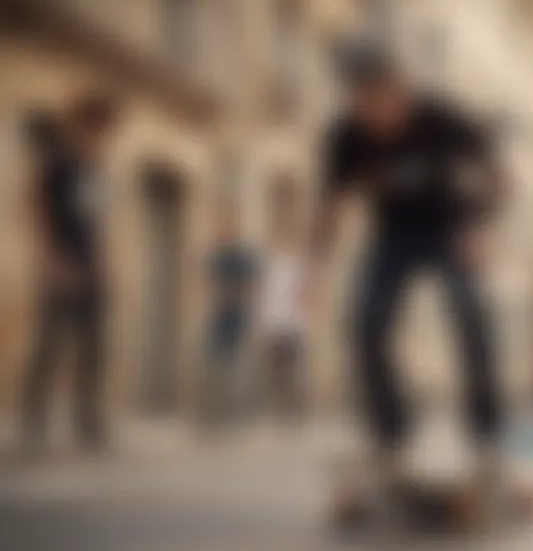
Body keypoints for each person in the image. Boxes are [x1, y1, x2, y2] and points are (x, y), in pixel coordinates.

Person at [306, 42, 507, 513]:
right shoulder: (347, 137)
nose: (376, 115)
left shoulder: (442, 118)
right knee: (366, 322)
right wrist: (311, 270)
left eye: (384, 100)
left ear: (401, 90)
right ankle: (392, 435)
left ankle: (486, 436)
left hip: (449, 228)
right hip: (393, 236)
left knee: (471, 311)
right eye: (364, 104)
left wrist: (480, 227)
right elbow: (330, 207)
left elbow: (494, 174)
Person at [20, 93, 119, 453]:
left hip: (89, 265)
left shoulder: (94, 168)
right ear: (84, 125)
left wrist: (104, 266)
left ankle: (88, 422)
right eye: (99, 128)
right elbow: (42, 211)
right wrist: (55, 260)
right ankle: (33, 420)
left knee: (94, 347)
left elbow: (95, 223)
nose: (103, 136)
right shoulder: (59, 162)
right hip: (63, 264)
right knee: (51, 344)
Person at [202, 204, 259, 427]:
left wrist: (233, 294)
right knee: (214, 360)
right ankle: (213, 412)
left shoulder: (242, 256)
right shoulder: (216, 256)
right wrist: (216, 295)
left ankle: (232, 414)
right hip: (218, 314)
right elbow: (207, 282)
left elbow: (250, 284)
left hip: (236, 315)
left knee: (235, 363)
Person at [260, 174, 307, 418]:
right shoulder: (273, 265)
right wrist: (264, 321)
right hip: (274, 323)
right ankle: (280, 408)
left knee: (291, 369)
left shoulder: (297, 266)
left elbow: (305, 295)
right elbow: (266, 295)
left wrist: (302, 322)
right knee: (275, 369)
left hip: (292, 324)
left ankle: (292, 409)